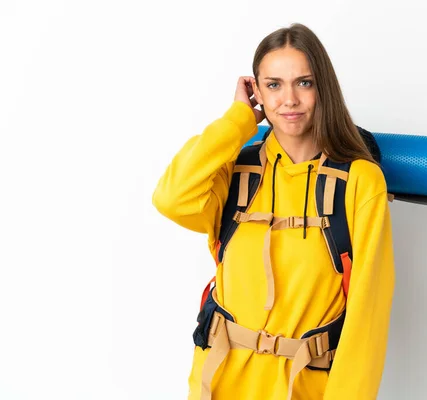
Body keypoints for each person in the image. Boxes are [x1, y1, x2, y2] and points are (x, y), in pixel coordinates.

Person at [153, 23, 395, 400]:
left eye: (304, 82)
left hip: (303, 388)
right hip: (218, 382)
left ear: (323, 88)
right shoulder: (236, 170)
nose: (289, 100)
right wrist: (237, 120)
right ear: (258, 93)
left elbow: (368, 319)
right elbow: (171, 197)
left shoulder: (360, 181)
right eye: (274, 85)